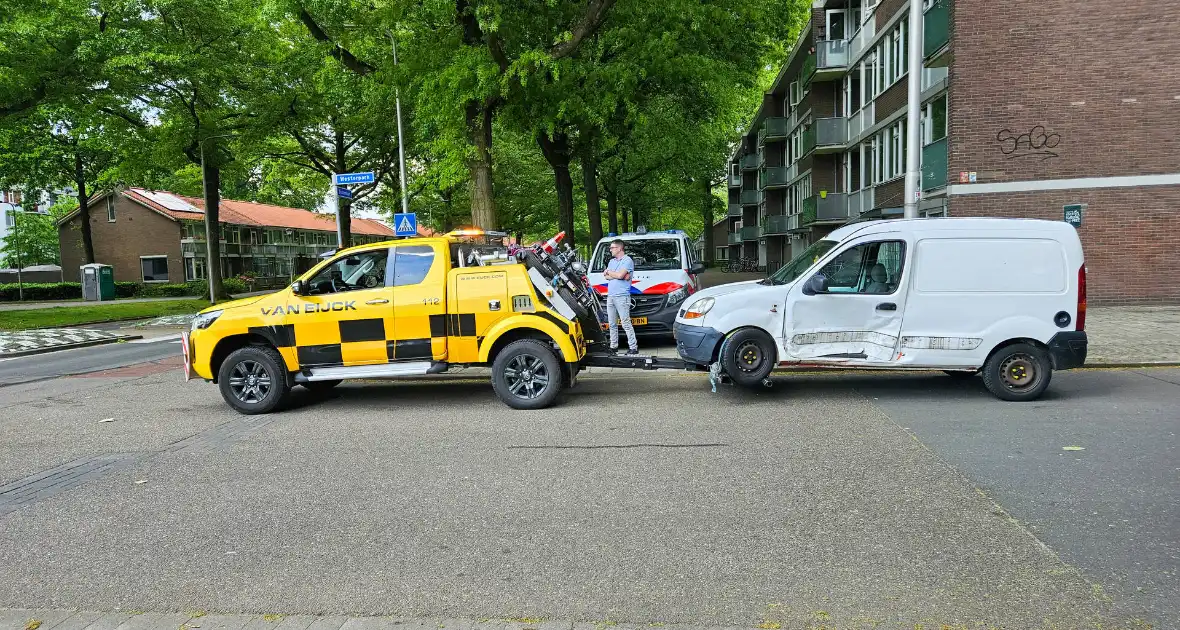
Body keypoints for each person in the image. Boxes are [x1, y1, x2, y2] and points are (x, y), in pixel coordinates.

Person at [603, 239, 639, 355]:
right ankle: (613, 346)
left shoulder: (627, 260)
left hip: (622, 296)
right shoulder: (611, 261)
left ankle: (633, 347)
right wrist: (618, 275)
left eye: (612, 248)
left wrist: (611, 273)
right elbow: (607, 277)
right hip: (611, 296)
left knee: (625, 322)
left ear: (619, 248)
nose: (610, 250)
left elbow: (619, 275)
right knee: (612, 323)